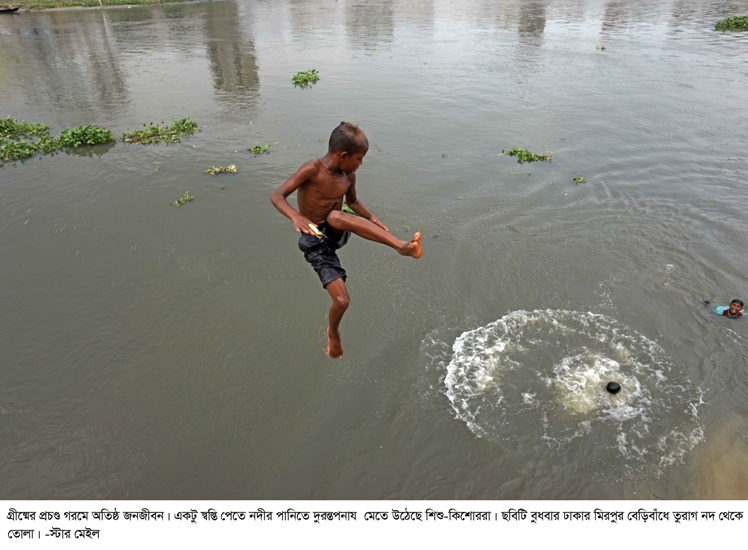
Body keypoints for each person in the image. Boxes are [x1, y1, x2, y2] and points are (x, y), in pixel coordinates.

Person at [270, 122, 422, 358]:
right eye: (359, 159)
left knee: (335, 215)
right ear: (343, 155)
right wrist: (296, 217)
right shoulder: (312, 169)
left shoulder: (348, 176)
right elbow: (277, 196)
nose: (360, 164)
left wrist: (372, 217)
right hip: (315, 241)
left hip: (337, 231)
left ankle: (402, 246)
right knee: (342, 301)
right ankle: (333, 332)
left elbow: (352, 202)